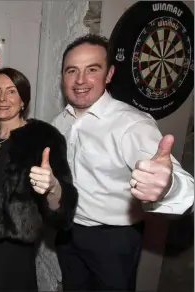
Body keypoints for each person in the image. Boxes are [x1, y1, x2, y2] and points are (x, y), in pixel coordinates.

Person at [52, 34, 194, 291]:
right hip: (68, 232)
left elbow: (184, 188)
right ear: (63, 76)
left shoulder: (131, 124)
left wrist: (169, 187)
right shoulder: (60, 121)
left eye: (92, 69)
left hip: (113, 241)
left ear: (109, 74)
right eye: (72, 70)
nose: (80, 80)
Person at [0, 67, 78, 290]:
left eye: (11, 91)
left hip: (13, 245)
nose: (2, 99)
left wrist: (53, 187)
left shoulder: (44, 138)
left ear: (23, 100)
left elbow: (62, 211)